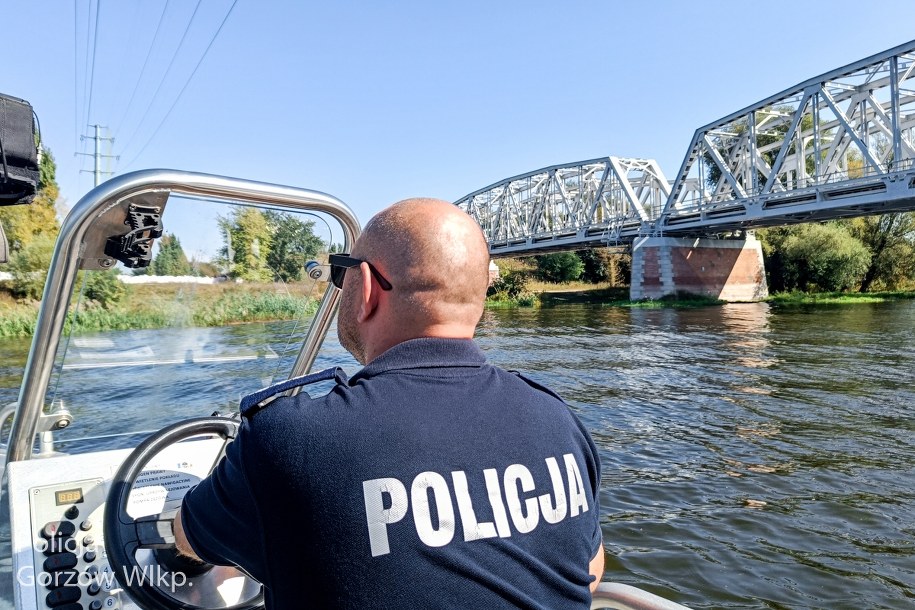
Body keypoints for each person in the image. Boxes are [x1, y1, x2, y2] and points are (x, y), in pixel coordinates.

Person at [175, 198, 604, 608]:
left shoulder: (290, 439)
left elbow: (188, 538)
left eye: (341, 274)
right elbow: (589, 567)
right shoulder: (558, 420)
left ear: (364, 288)